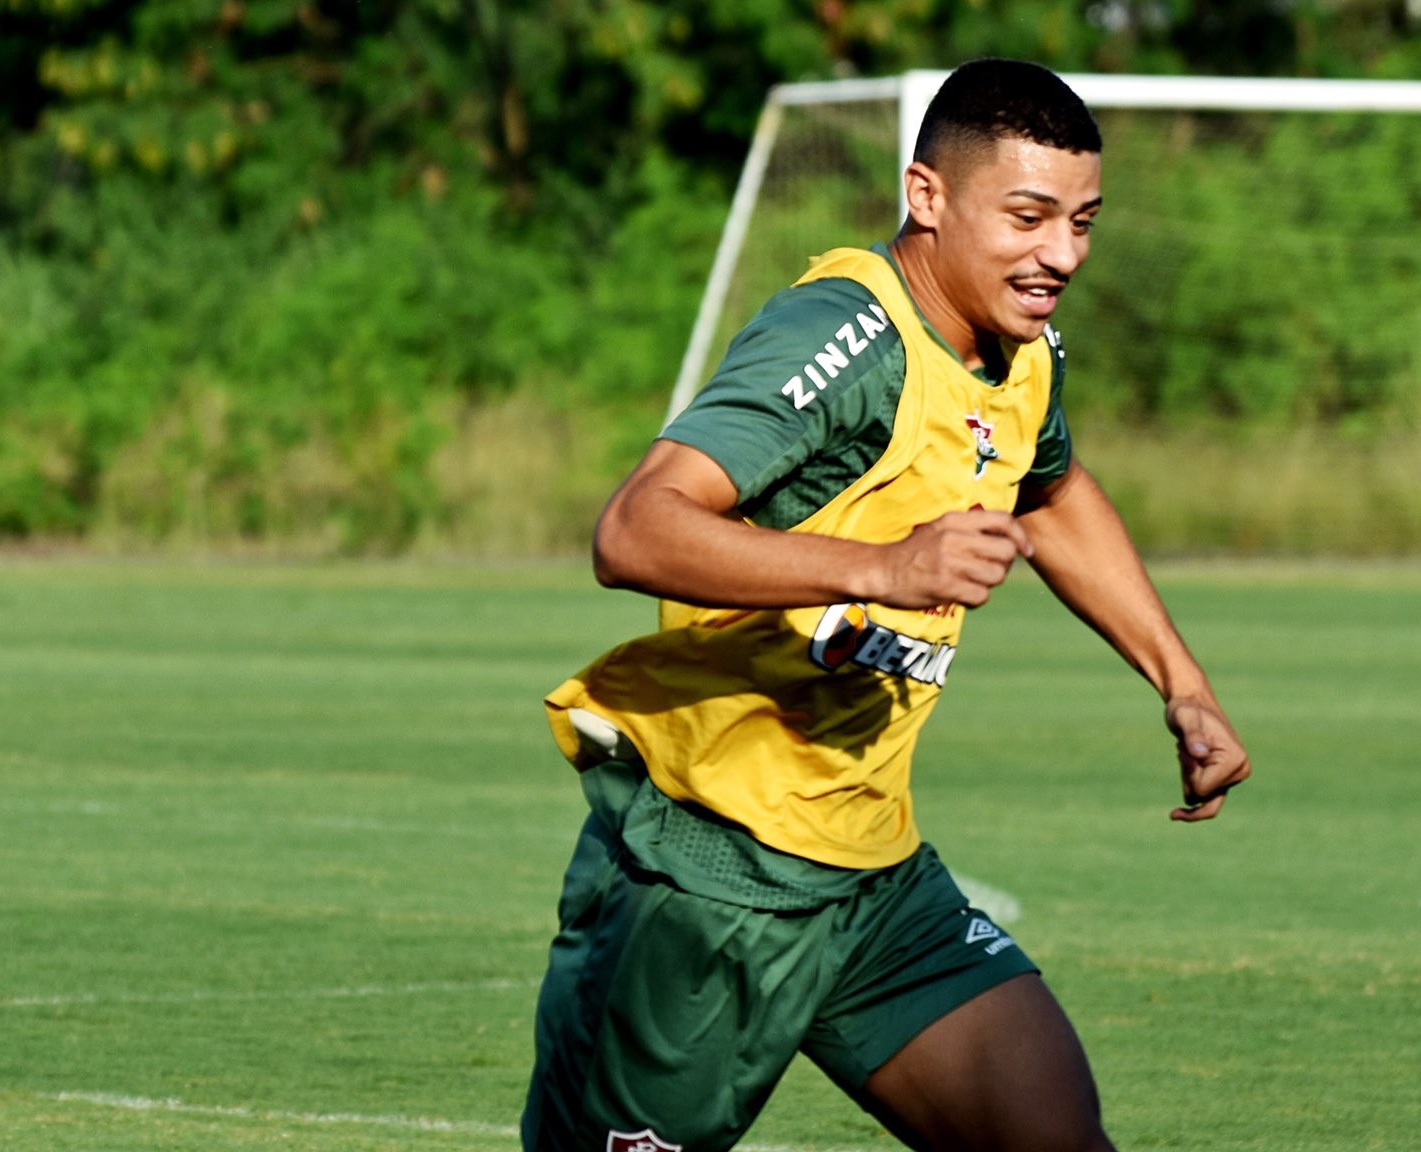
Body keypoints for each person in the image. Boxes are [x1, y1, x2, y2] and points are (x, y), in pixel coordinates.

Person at [520, 59, 1251, 1152]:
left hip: (871, 876)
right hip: (714, 873)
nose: (1060, 253)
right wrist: (883, 569)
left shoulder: (1019, 350)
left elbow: (1049, 487)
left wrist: (1179, 683)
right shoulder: (843, 336)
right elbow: (635, 530)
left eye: (1083, 221)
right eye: (1027, 216)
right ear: (927, 197)